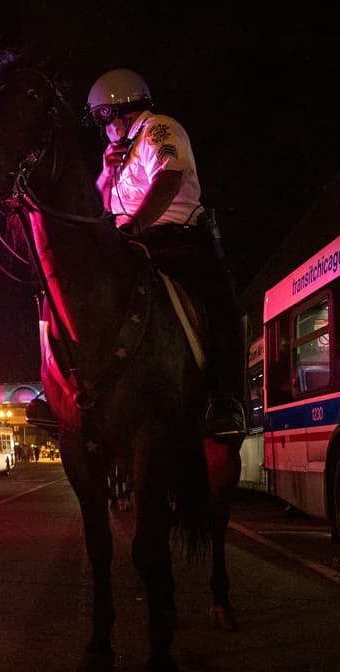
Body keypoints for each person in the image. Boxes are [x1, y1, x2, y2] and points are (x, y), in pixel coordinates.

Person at [87, 68, 247, 440]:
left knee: (222, 309)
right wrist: (107, 174)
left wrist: (136, 226)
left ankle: (225, 401)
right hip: (132, 246)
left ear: (114, 113)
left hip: (178, 242)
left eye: (102, 120)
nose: (104, 130)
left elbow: (168, 179)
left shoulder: (158, 129)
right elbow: (104, 206)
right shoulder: (120, 155)